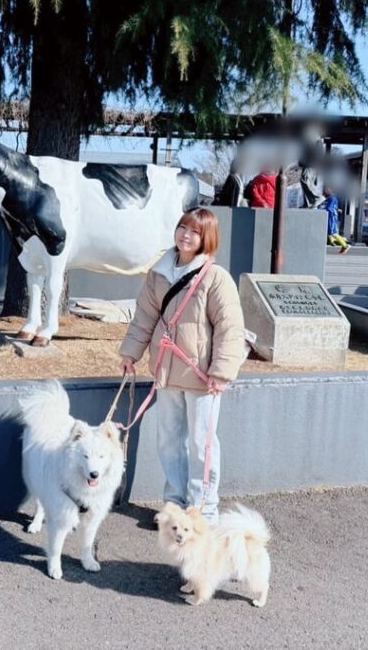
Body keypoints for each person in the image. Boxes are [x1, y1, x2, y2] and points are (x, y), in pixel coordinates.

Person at [118, 207, 246, 522]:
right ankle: (174, 503)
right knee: (168, 441)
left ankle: (204, 509)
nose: (186, 235)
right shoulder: (159, 273)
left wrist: (221, 373)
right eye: (182, 228)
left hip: (202, 376)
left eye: (195, 231)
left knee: (202, 444)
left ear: (207, 238)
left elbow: (231, 328)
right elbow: (144, 317)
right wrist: (130, 353)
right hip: (166, 370)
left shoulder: (215, 278)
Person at [319, 186, 350, 253]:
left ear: (330, 191)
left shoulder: (332, 198)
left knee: (334, 233)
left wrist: (321, 209)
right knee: (330, 233)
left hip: (331, 217)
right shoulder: (330, 198)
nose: (325, 192)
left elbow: (329, 208)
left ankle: (345, 245)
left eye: (326, 190)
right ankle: (333, 242)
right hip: (331, 217)